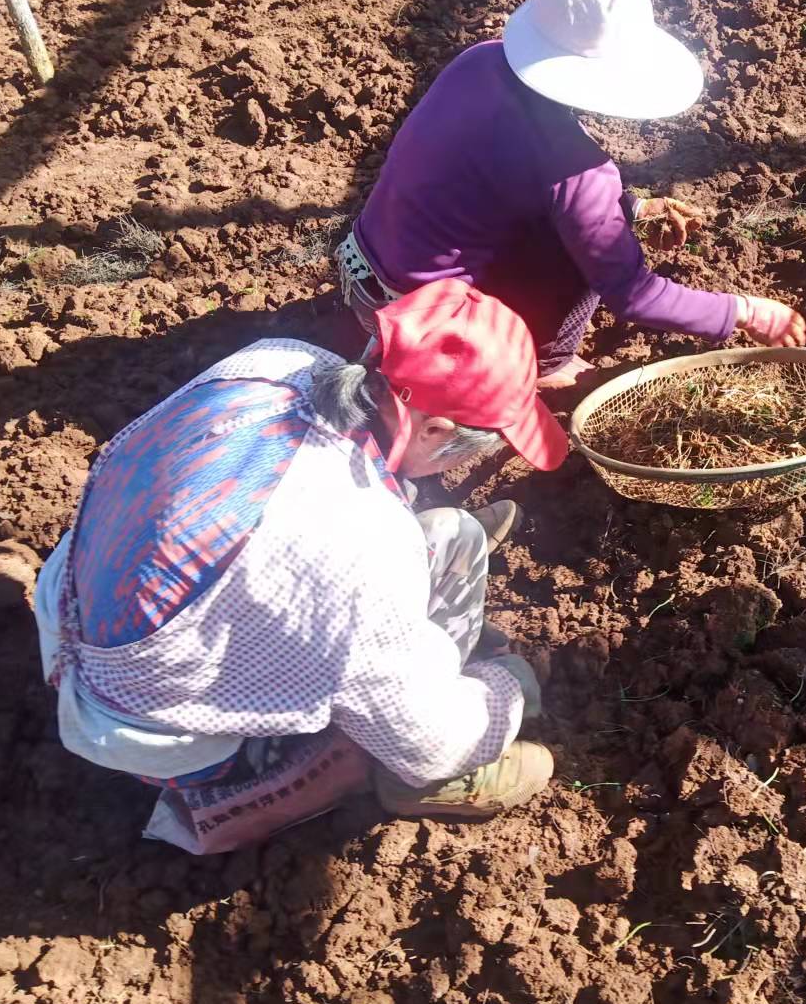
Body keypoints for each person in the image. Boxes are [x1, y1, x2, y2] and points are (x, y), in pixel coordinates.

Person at [32, 280, 562, 854]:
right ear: (433, 429)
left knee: (446, 536)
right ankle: (416, 789)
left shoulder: (282, 360)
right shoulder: (360, 555)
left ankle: (435, 568)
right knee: (427, 737)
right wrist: (502, 693)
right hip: (158, 729)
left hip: (86, 606)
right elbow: (428, 739)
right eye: (473, 448)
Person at [337, 0, 806, 389]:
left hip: (360, 272)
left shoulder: (477, 61)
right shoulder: (577, 169)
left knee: (575, 224)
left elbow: (503, 181)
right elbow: (634, 295)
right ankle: (544, 363)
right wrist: (748, 312)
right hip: (425, 323)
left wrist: (637, 208)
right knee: (583, 255)